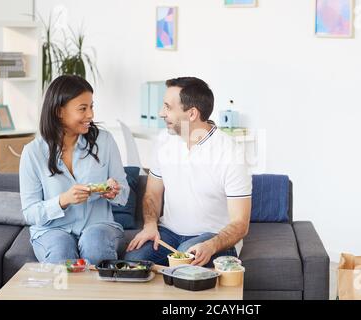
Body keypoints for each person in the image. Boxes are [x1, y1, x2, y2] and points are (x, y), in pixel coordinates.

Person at [125, 77, 252, 267]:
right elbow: (152, 193)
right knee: (133, 262)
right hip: (169, 232)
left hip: (212, 236)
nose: (161, 113)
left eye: (168, 107)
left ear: (192, 114)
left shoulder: (230, 153)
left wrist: (211, 245)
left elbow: (240, 223)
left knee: (184, 261)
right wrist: (150, 224)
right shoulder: (164, 141)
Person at [19, 75, 129, 265]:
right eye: (83, 109)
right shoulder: (32, 152)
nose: (91, 115)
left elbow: (124, 193)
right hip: (51, 230)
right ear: (59, 111)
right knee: (60, 251)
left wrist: (115, 192)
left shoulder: (105, 141)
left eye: (91, 107)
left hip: (99, 225)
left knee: (95, 243)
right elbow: (29, 213)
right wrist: (62, 201)